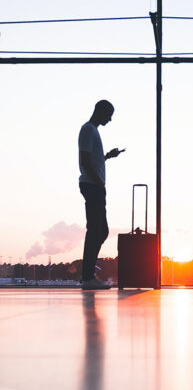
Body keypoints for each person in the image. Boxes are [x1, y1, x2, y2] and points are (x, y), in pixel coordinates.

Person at [78, 100, 123, 290]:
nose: (110, 119)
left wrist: (107, 157)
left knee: (99, 230)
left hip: (93, 185)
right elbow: (85, 160)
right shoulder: (88, 130)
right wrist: (98, 182)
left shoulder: (92, 131)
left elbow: (92, 160)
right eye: (108, 114)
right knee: (97, 230)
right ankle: (87, 276)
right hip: (92, 185)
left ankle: (88, 275)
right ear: (100, 111)